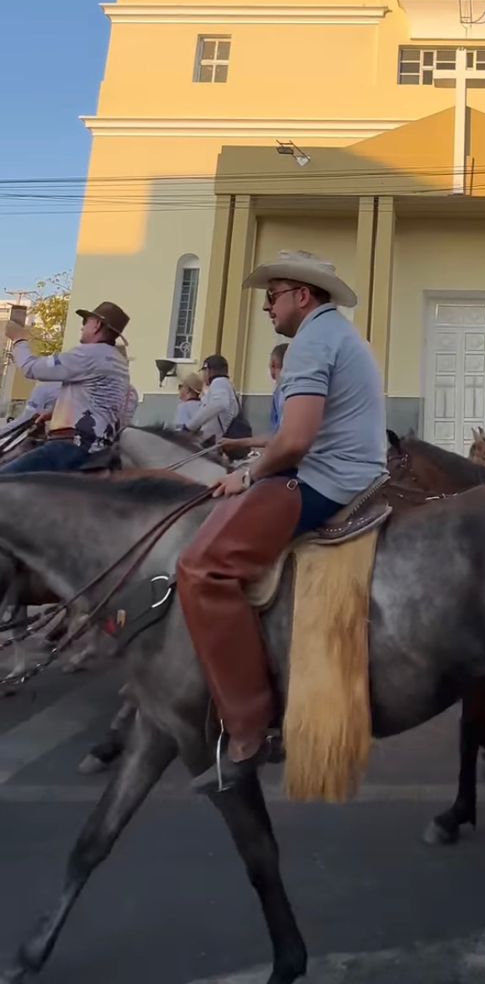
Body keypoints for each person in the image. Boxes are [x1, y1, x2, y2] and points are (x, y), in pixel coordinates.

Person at [178, 249, 387, 792]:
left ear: (303, 295)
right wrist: (251, 461)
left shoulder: (312, 341)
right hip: (342, 470)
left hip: (326, 481)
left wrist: (248, 478)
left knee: (201, 566)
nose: (267, 306)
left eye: (272, 295)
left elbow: (295, 442)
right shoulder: (333, 334)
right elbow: (289, 436)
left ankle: (248, 727)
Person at [1, 301, 132, 472]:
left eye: (86, 321)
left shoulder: (90, 354)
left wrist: (19, 339)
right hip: (99, 448)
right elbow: (98, 402)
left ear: (97, 325)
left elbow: (31, 368)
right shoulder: (118, 361)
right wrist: (55, 413)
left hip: (70, 447)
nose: (82, 326)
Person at [217, 343, 288, 456]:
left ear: (273, 365)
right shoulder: (281, 392)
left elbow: (282, 439)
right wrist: (237, 443)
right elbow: (274, 436)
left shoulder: (284, 393)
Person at [184, 354, 240, 447]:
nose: (203, 375)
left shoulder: (219, 382)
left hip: (215, 443)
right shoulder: (224, 384)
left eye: (203, 371)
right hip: (215, 442)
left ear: (208, 370)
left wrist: (190, 426)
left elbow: (219, 404)